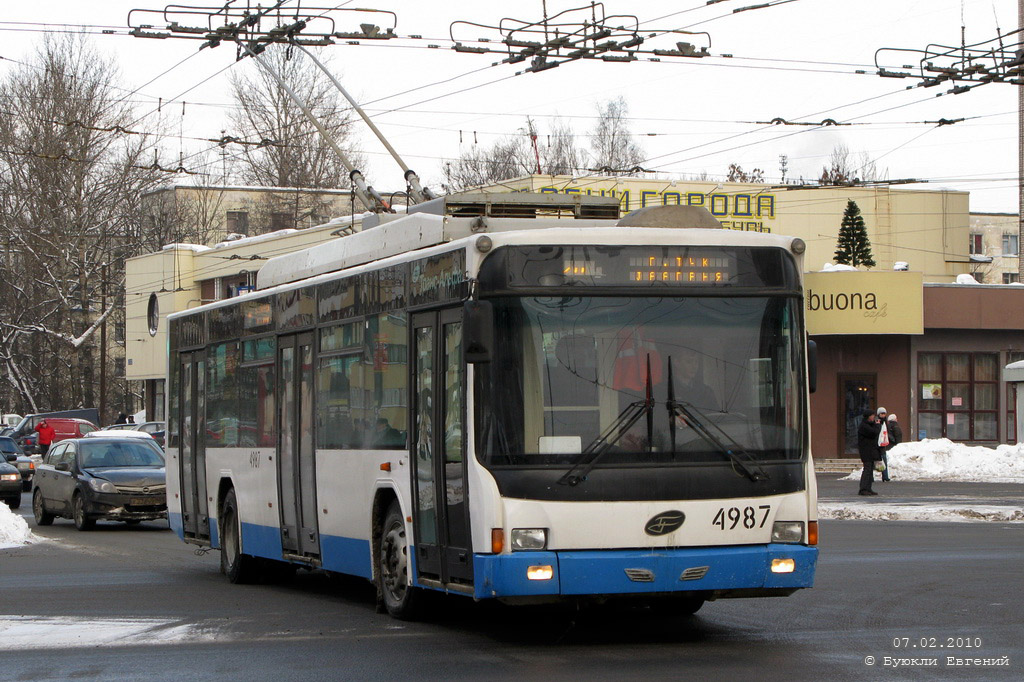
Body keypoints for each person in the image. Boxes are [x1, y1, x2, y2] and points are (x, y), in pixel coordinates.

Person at [856, 410, 882, 496]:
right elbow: (874, 433)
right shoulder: (864, 426)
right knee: (867, 470)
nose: (873, 417)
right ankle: (863, 489)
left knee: (870, 470)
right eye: (872, 415)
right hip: (866, 451)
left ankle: (868, 488)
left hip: (870, 451)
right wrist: (877, 425)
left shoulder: (869, 424)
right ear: (868, 416)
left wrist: (876, 424)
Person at [884, 413, 903, 481]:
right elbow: (898, 435)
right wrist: (897, 444)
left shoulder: (888, 426)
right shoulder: (895, 426)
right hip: (893, 444)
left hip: (889, 445)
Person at [876, 406, 890, 482]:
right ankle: (871, 476)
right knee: (874, 461)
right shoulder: (876, 422)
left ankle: (885, 476)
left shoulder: (885, 422)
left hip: (883, 444)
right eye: (881, 414)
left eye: (884, 414)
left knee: (884, 460)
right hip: (876, 444)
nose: (883, 415)